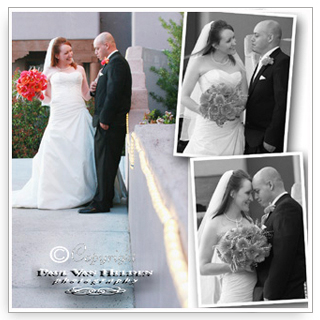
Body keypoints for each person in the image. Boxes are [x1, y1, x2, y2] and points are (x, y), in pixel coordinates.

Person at [12, 37, 96, 209]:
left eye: (71, 51)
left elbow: (86, 95)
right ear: (56, 55)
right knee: (55, 152)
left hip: (78, 113)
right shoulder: (49, 73)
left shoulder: (79, 69)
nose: (70, 55)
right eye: (66, 53)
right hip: (59, 115)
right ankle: (57, 193)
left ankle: (83, 192)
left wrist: (94, 88)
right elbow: (48, 97)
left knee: (82, 151)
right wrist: (37, 95)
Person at [79, 32, 132, 214]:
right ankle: (102, 199)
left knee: (105, 164)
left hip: (109, 123)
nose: (95, 52)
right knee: (104, 163)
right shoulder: (110, 64)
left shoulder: (117, 63)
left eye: (97, 48)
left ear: (107, 45)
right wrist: (94, 88)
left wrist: (105, 120)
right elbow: (106, 90)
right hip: (106, 122)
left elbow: (114, 94)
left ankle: (101, 203)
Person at [179, 20, 248, 156]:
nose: (234, 42)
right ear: (215, 44)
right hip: (207, 128)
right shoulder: (199, 63)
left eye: (234, 38)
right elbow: (184, 96)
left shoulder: (238, 65)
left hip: (232, 128)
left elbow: (245, 95)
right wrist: (206, 111)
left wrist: (236, 109)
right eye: (229, 40)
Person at [198, 170, 257, 305]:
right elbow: (202, 267)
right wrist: (234, 267)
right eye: (248, 193)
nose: (251, 199)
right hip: (234, 294)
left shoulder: (249, 222)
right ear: (233, 193)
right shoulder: (215, 223)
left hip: (253, 294)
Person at [252, 167, 306, 300]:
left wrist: (270, 295)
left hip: (283, 294)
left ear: (270, 185)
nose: (255, 197)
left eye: (257, 191)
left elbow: (283, 257)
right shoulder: (279, 208)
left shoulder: (287, 209)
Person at [245, 20, 290, 154]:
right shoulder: (262, 61)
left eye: (256, 35)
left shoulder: (282, 62)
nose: (252, 39)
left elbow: (282, 103)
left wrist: (271, 138)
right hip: (252, 137)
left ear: (270, 38)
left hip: (265, 140)